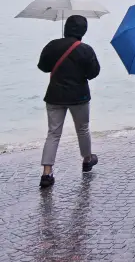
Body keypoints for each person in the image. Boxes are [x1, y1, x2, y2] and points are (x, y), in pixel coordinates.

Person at [37, 14, 100, 188]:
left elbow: (43, 67)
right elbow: (94, 73)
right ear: (83, 31)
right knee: (83, 129)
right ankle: (87, 160)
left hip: (54, 95)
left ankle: (47, 173)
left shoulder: (52, 46)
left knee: (53, 133)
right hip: (79, 97)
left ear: (65, 29)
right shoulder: (85, 49)